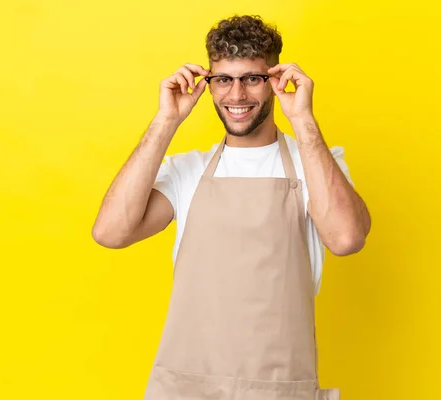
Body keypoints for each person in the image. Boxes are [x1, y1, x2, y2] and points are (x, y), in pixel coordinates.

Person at [92, 14, 371, 400]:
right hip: (187, 387)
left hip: (278, 388)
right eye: (224, 79)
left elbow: (345, 238)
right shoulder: (186, 170)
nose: (237, 96)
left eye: (252, 78)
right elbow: (110, 233)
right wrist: (166, 120)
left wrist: (303, 120)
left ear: (275, 80)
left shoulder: (319, 164)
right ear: (208, 84)